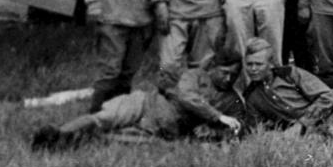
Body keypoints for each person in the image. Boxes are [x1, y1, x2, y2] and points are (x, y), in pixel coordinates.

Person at [31, 47, 246, 150]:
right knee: (104, 118)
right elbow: (186, 96)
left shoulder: (231, 100)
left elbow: (235, 127)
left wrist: (227, 131)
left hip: (160, 130)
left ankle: (72, 143)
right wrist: (218, 116)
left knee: (111, 139)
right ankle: (57, 135)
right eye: (224, 72)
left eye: (234, 75)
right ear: (214, 67)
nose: (228, 79)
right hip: (143, 104)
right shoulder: (195, 75)